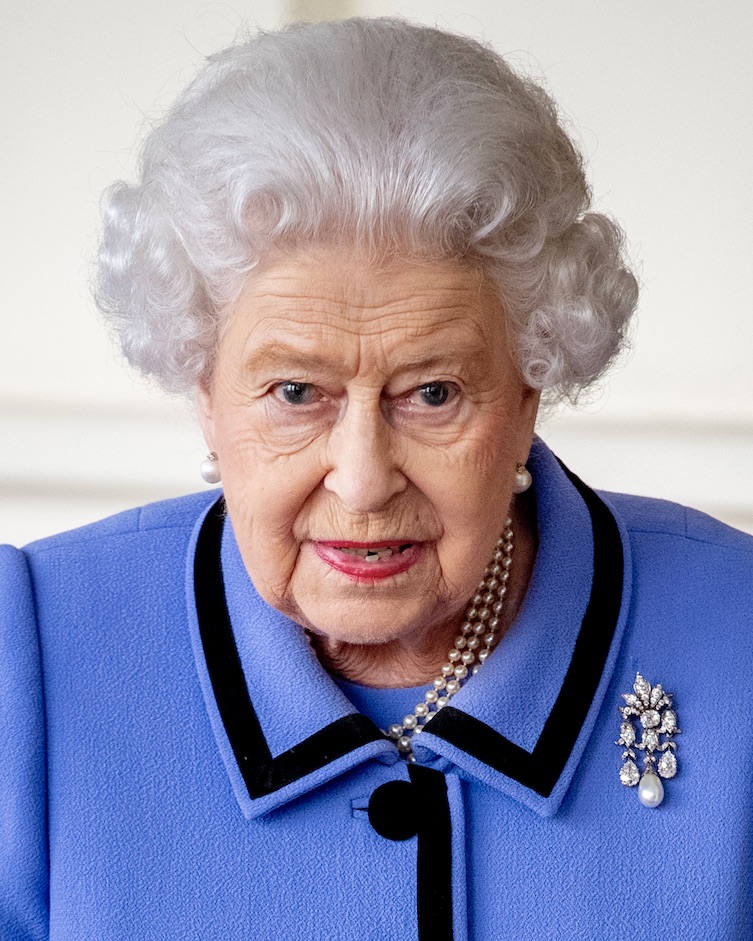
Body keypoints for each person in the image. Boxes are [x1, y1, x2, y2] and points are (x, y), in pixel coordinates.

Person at [1, 17, 751, 941]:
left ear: (530, 386)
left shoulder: (738, 630)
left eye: (432, 393)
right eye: (295, 392)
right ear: (204, 390)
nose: (361, 481)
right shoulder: (29, 655)